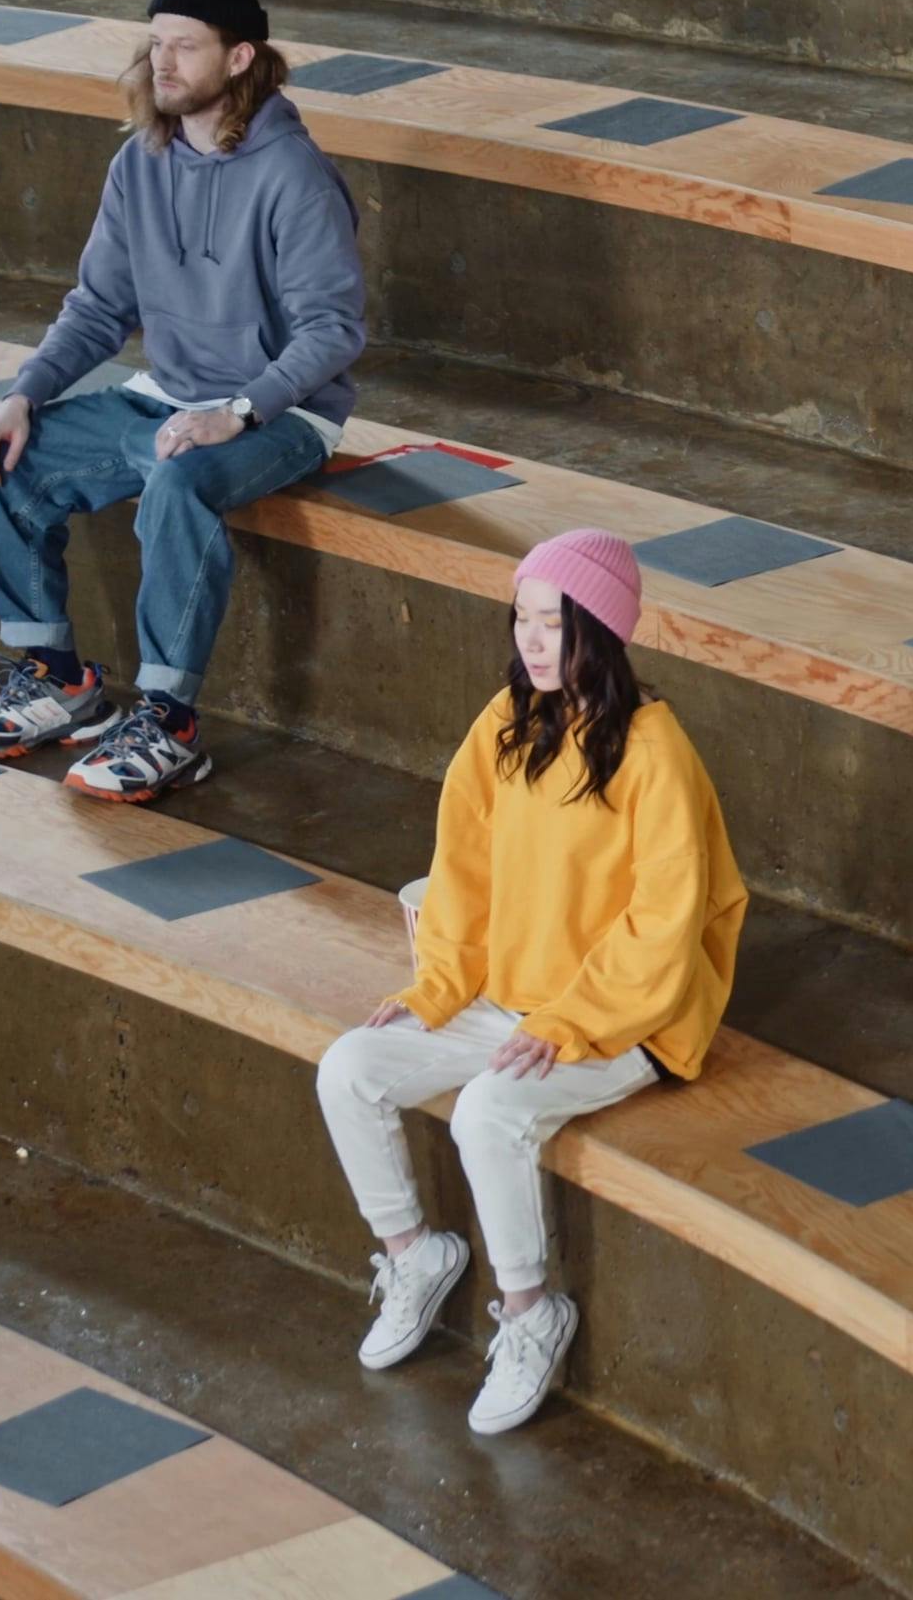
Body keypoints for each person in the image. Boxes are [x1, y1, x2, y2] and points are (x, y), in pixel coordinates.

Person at [314, 529, 749, 1435]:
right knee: (348, 1066)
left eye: (554, 622)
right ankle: (413, 1252)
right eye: (523, 618)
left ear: (602, 627)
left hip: (628, 1018)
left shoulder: (657, 750)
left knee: (486, 1111)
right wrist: (439, 985)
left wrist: (567, 1020)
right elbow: (462, 873)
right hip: (505, 997)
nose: (534, 639)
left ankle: (530, 1312)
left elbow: (664, 923)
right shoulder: (505, 723)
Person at [0, 0, 367, 800]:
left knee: (179, 484)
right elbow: (99, 306)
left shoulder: (293, 174)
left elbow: (333, 330)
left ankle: (169, 722)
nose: (162, 63)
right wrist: (23, 394)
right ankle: (58, 681)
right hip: (164, 395)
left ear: (240, 57)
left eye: (185, 46)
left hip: (281, 415)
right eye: (155, 43)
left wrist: (239, 411)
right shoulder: (139, 162)